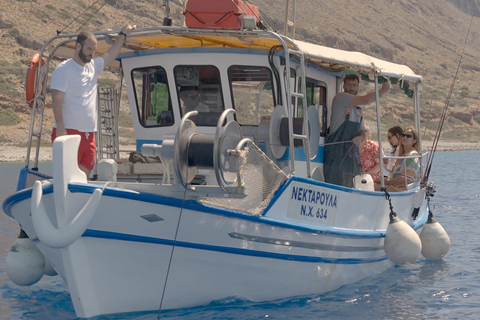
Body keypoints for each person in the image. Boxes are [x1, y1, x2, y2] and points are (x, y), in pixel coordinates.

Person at [51, 24, 136, 177]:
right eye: (89, 49)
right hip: (69, 131)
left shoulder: (93, 67)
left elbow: (110, 55)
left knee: (83, 177)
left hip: (89, 134)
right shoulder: (64, 69)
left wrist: (123, 34)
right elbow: (56, 99)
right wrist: (60, 129)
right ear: (78, 46)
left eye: (94, 50)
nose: (92, 53)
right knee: (67, 177)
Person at [324, 74, 390, 187]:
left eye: (354, 85)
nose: (351, 88)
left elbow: (363, 132)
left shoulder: (357, 110)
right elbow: (367, 100)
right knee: (335, 184)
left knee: (351, 185)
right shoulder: (341, 98)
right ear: (344, 85)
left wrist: (360, 137)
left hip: (351, 159)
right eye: (349, 84)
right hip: (336, 156)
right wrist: (383, 91)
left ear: (358, 87)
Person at [374, 127, 421, 192]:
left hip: (401, 188)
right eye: (403, 135)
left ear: (414, 140)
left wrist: (387, 181)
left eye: (408, 136)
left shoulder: (412, 156)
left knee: (371, 186)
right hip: (396, 185)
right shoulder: (404, 154)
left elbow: (406, 178)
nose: (405, 137)